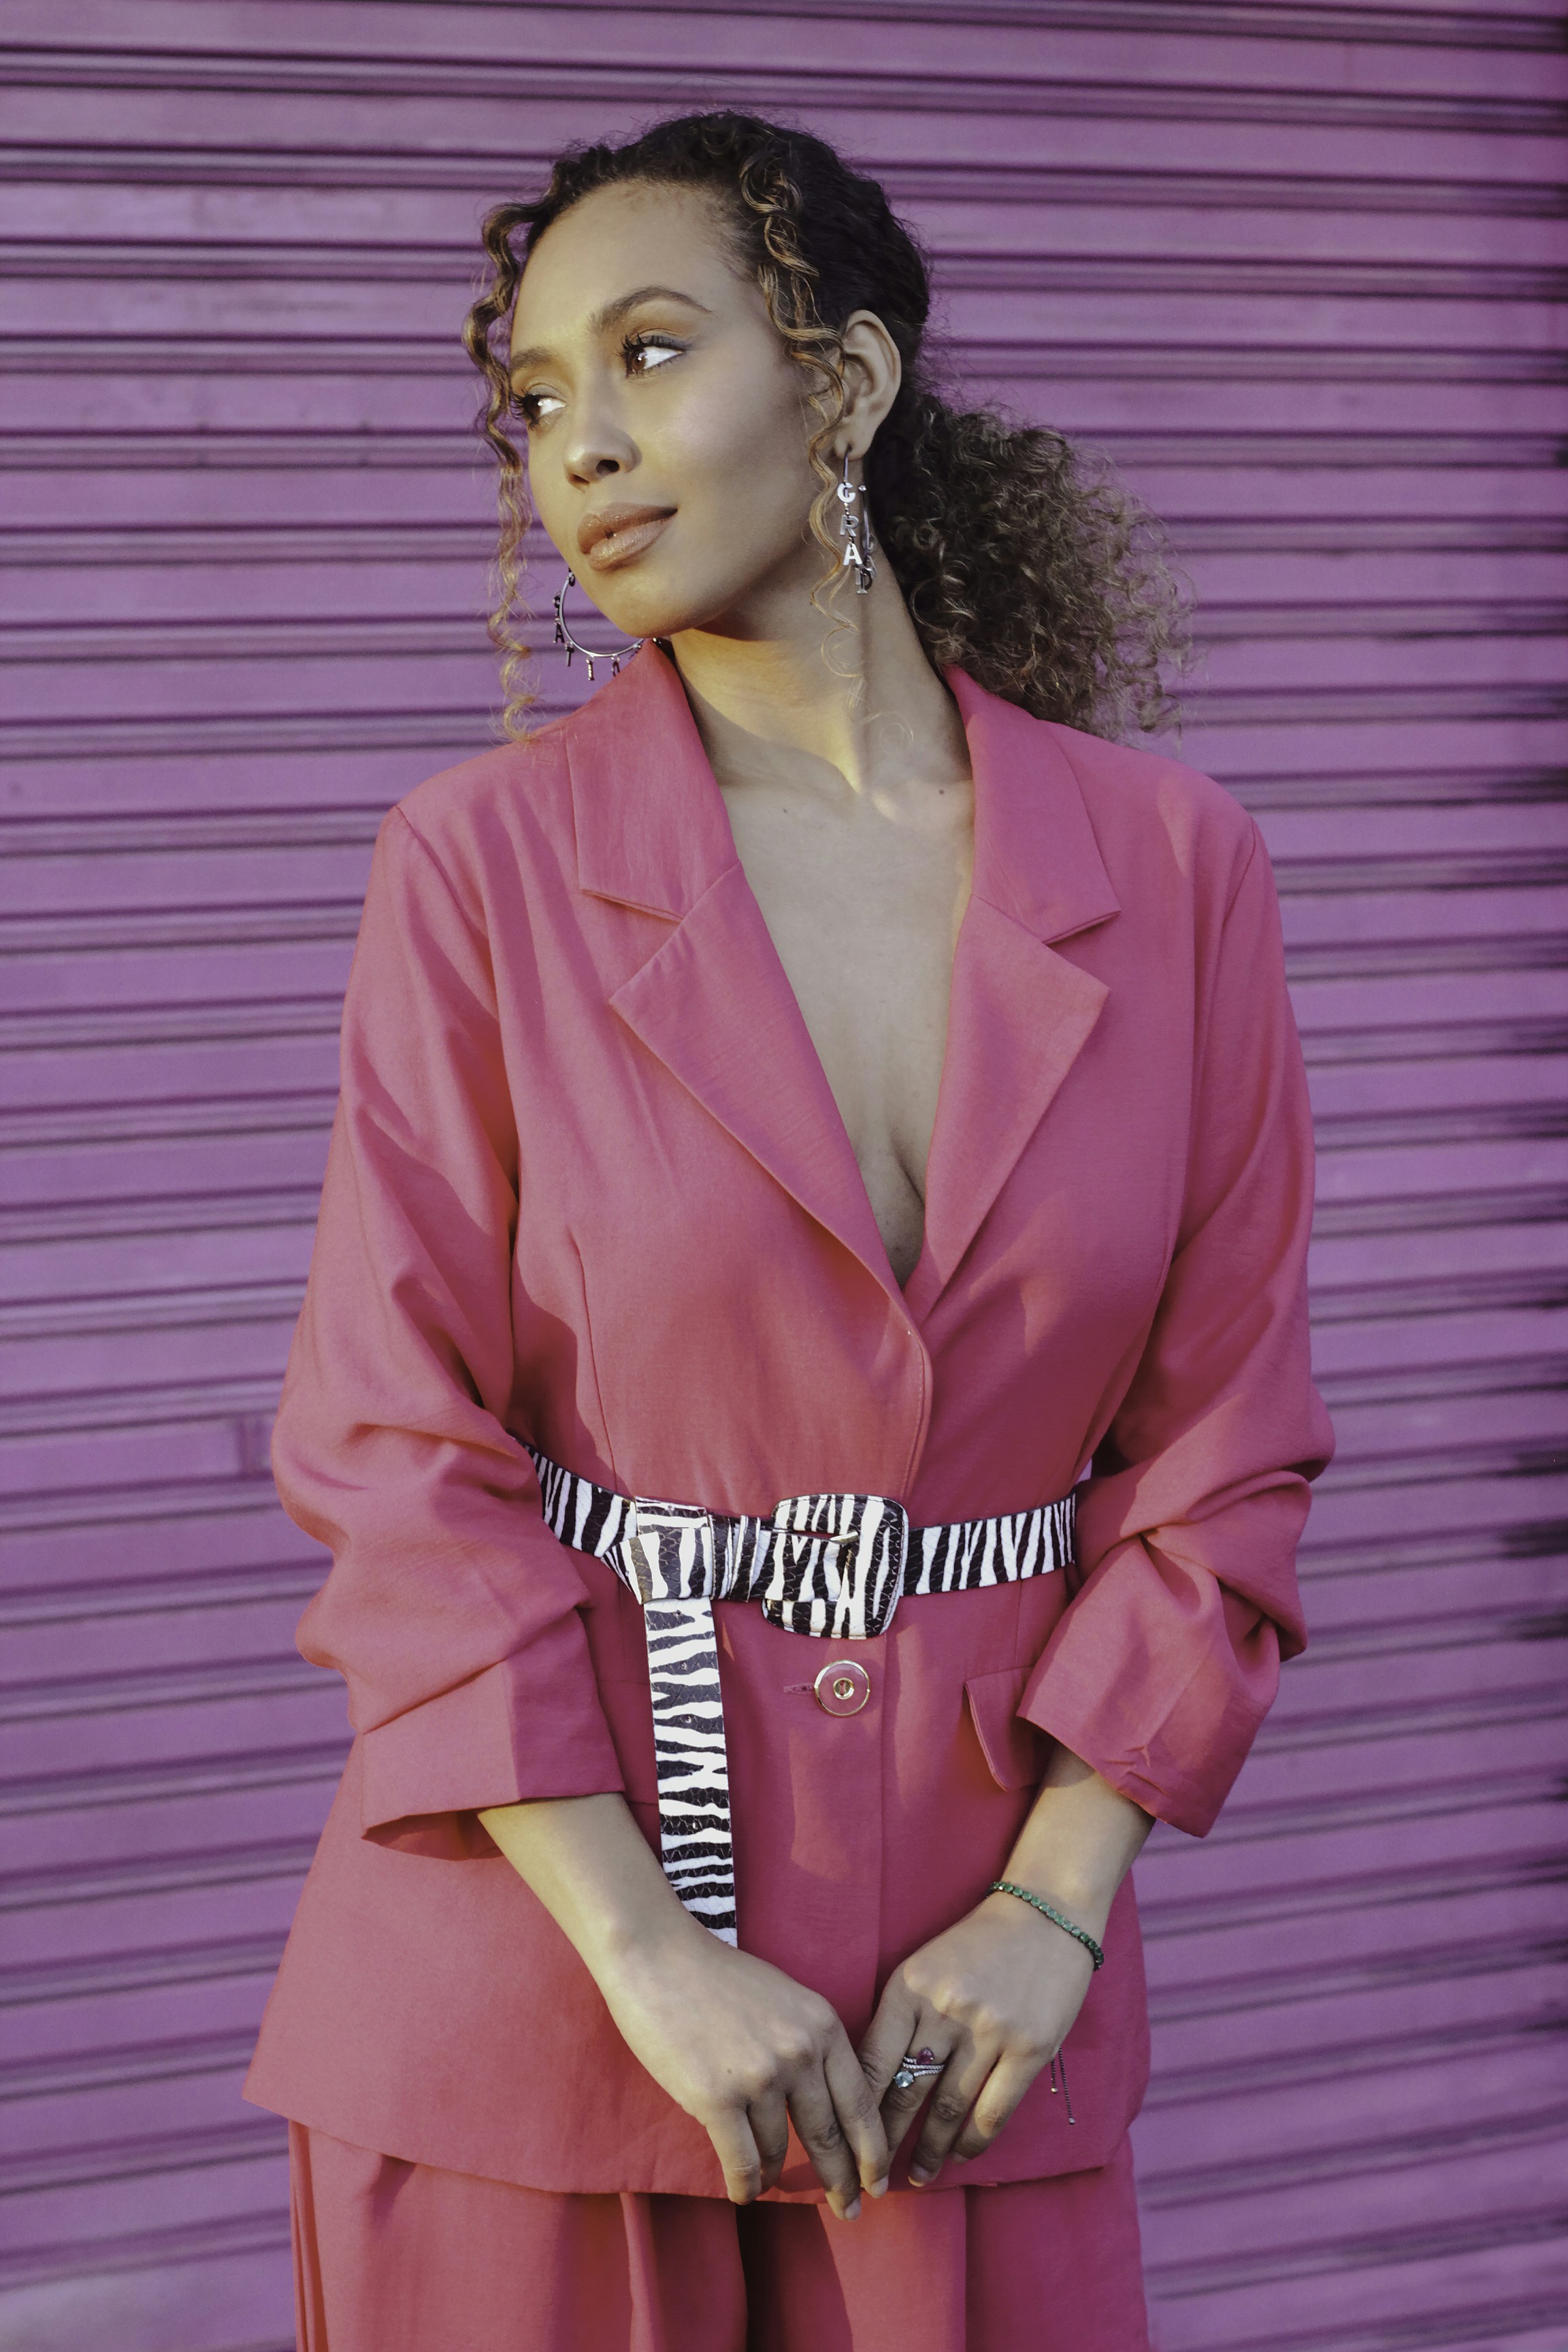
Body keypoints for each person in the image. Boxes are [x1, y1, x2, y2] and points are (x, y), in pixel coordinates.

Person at [244, 109, 1333, 2352]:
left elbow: (1228, 1451)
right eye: (533, 400)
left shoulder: (1178, 863)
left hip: (967, 2026)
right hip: (536, 2004)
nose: (580, 447)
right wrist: (646, 1951)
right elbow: (391, 1447)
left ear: (842, 382)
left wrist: (1054, 1905)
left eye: (651, 355)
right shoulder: (479, 866)